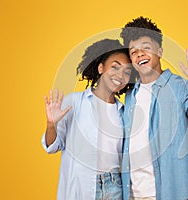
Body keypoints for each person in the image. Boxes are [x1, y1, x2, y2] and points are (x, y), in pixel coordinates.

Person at [120, 16, 188, 200]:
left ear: (160, 51)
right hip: (131, 195)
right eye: (134, 51)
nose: (140, 54)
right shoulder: (130, 96)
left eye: (146, 48)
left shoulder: (181, 88)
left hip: (169, 194)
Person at [41, 39, 134, 200]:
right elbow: (52, 147)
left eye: (127, 72)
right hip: (82, 185)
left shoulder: (124, 112)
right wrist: (51, 124)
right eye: (115, 67)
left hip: (115, 187)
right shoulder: (74, 103)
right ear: (100, 68)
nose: (120, 75)